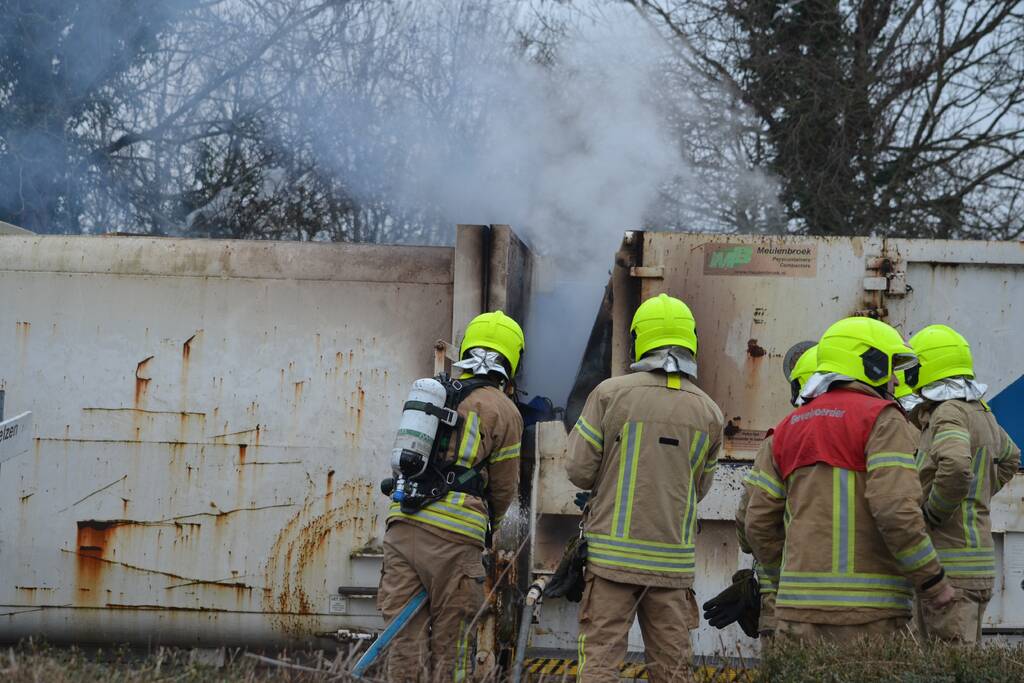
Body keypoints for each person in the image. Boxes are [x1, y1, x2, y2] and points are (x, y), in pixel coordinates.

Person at [745, 316, 955, 642]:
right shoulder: (882, 419)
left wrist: (782, 581)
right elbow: (896, 510)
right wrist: (932, 581)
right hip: (870, 615)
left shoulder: (787, 428)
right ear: (870, 364)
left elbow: (758, 523)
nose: (895, 381)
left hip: (796, 613)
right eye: (890, 368)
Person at [566, 293, 724, 682]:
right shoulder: (709, 412)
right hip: (672, 567)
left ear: (639, 339)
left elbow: (579, 471)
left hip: (611, 562)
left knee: (600, 665)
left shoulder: (609, 394)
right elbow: (699, 488)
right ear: (691, 341)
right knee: (672, 669)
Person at [378, 311, 525, 682]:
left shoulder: (435, 392)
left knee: (404, 643)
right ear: (512, 358)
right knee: (453, 647)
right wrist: (488, 526)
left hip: (402, 526)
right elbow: (503, 488)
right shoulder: (504, 410)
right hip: (455, 540)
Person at [908, 324, 1020, 642]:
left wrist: (933, 513)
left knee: (944, 664)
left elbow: (956, 468)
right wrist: (977, 492)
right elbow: (1011, 457)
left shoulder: (948, 413)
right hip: (976, 566)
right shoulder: (980, 412)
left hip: (950, 568)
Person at [727, 344, 819, 639]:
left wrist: (777, 571)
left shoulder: (780, 441)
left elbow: (749, 519)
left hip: (782, 602)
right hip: (854, 608)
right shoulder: (872, 434)